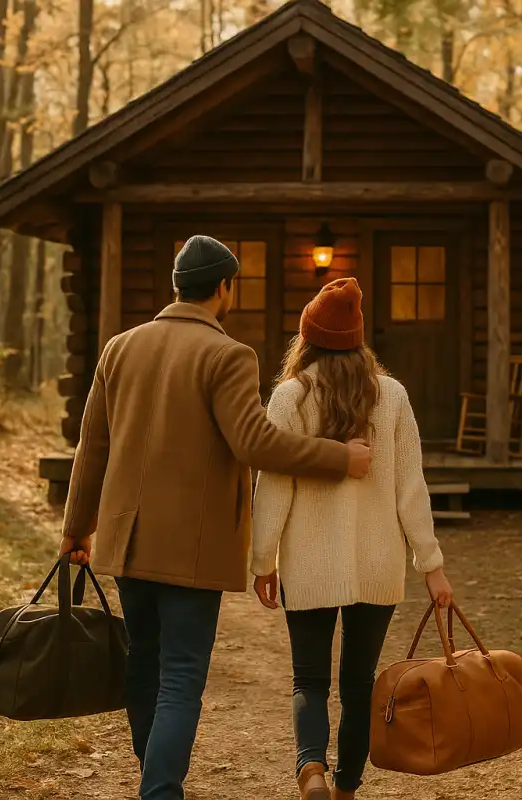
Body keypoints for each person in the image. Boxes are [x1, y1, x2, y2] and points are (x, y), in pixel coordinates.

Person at [57, 236, 372, 800]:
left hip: (127, 542)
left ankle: (153, 774)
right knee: (180, 678)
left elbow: (92, 448)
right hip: (192, 551)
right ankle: (159, 791)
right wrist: (339, 458)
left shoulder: (118, 348)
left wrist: (75, 528)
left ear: (177, 284)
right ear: (224, 287)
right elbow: (255, 443)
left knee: (145, 665)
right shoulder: (228, 355)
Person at [251, 277, 454, 800]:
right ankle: (345, 790)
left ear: (308, 338)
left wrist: (263, 559)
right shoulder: (392, 396)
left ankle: (311, 768)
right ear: (360, 338)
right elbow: (412, 489)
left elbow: (273, 485)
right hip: (378, 562)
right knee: (359, 684)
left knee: (309, 679)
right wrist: (431, 564)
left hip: (308, 564)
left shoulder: (290, 397)